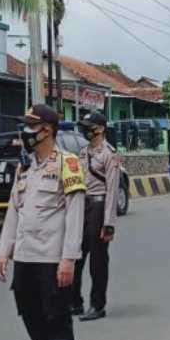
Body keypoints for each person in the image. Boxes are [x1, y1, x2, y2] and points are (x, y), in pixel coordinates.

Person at [0, 104, 86, 340]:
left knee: (56, 319)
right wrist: (4, 251)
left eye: (30, 127)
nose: (25, 132)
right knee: (31, 317)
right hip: (25, 257)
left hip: (52, 259)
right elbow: (14, 211)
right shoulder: (25, 168)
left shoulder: (67, 163)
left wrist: (69, 258)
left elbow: (75, 214)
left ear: (46, 130)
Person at [71, 111, 121, 322]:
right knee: (75, 255)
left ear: (100, 128)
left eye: (89, 126)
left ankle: (97, 305)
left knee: (97, 260)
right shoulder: (83, 152)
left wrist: (109, 224)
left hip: (99, 206)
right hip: (82, 205)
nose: (85, 130)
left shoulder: (109, 154)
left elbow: (112, 190)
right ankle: (74, 302)